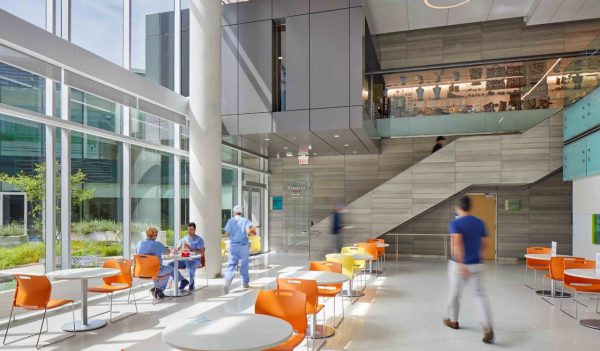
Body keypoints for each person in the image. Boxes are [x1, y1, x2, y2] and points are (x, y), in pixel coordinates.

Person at [443, 196, 494, 344]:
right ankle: (487, 327)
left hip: (458, 265)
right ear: (470, 207)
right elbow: (484, 245)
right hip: (477, 263)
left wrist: (461, 264)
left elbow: (458, 243)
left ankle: (453, 321)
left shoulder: (455, 224)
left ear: (458, 208)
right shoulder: (480, 223)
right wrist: (479, 259)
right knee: (479, 296)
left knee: (454, 293)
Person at [223, 205, 256, 294]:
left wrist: (233, 236)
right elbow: (249, 232)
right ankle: (244, 283)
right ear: (241, 212)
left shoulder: (230, 221)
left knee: (231, 264)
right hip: (243, 246)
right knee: (244, 265)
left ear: (234, 212)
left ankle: (228, 281)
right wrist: (254, 233)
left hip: (233, 246)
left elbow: (226, 233)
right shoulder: (245, 221)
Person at [136, 227, 173, 299]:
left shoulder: (139, 243)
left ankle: (157, 289)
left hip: (141, 271)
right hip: (155, 272)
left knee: (156, 269)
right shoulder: (157, 244)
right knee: (170, 269)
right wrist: (167, 248)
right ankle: (158, 289)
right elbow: (168, 252)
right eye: (156, 235)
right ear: (155, 235)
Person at [169, 222, 205, 291]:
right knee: (170, 265)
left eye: (191, 230)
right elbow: (177, 249)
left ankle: (191, 283)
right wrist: (175, 250)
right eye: (188, 230)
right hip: (183, 260)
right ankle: (183, 280)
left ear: (195, 230)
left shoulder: (199, 240)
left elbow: (202, 253)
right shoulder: (183, 239)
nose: (189, 231)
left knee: (190, 266)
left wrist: (190, 248)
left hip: (195, 260)